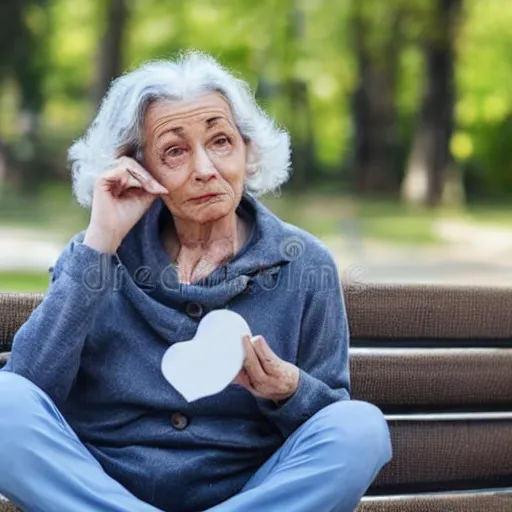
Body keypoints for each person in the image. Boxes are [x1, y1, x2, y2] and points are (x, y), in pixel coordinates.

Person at [0, 51, 391, 512]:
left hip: (245, 494)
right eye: (175, 150)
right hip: (102, 487)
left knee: (360, 428)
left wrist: (290, 389)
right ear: (137, 168)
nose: (205, 168)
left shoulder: (305, 264)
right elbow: (28, 389)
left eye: (221, 141)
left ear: (248, 150)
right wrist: (101, 239)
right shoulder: (95, 253)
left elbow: (328, 423)